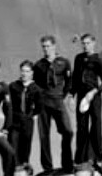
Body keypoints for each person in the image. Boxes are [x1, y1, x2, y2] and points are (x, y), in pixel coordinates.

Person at [35, 36, 75, 171]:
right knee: (43, 135)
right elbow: (35, 84)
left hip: (57, 100)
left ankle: (67, 164)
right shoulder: (39, 65)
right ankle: (47, 167)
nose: (46, 49)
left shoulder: (63, 62)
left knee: (68, 131)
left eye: (48, 46)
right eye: (44, 46)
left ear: (54, 46)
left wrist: (64, 95)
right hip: (43, 102)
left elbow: (69, 81)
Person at [72, 35, 102, 163]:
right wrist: (71, 95)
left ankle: (98, 158)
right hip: (82, 96)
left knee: (96, 126)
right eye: (83, 43)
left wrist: (94, 92)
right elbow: (75, 78)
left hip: (94, 96)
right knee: (81, 127)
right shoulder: (78, 58)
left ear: (93, 43)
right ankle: (80, 160)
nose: (85, 46)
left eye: (88, 43)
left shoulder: (98, 61)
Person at [7, 62, 39, 172]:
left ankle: (23, 172)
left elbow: (39, 107)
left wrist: (29, 115)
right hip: (14, 122)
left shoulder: (35, 88)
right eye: (22, 71)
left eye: (27, 71)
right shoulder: (13, 86)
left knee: (25, 150)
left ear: (32, 73)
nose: (24, 74)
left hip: (27, 123)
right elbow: (8, 105)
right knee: (12, 150)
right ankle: (13, 171)